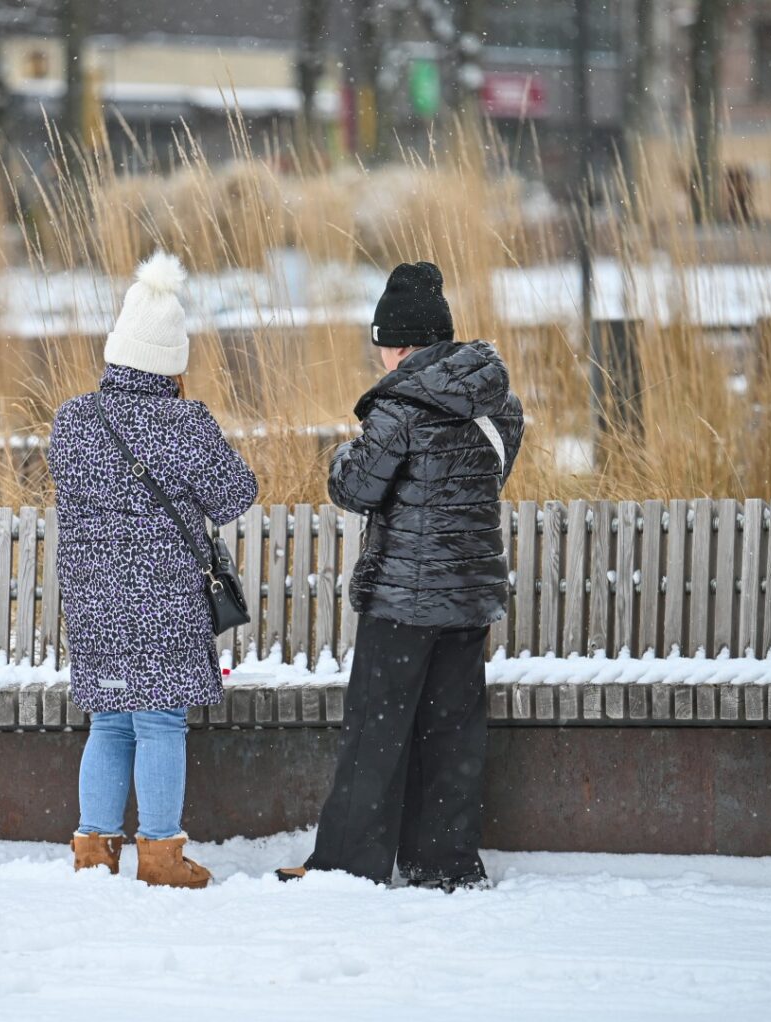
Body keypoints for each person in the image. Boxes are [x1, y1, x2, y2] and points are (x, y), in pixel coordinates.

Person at [278, 261, 524, 891]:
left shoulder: (400, 407)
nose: (381, 357)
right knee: (451, 734)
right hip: (469, 597)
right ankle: (442, 865)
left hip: (403, 602)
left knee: (376, 733)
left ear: (403, 345)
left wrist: (340, 453)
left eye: (382, 344)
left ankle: (347, 865)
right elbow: (482, 483)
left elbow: (356, 487)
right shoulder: (498, 405)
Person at [47, 250, 257, 889]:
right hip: (164, 602)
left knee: (109, 719)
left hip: (93, 602)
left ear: (116, 352)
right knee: (160, 720)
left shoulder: (74, 420)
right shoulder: (183, 423)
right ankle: (162, 855)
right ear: (172, 363)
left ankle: (93, 849)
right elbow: (236, 494)